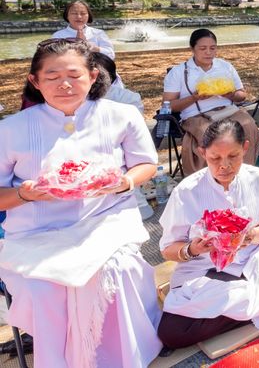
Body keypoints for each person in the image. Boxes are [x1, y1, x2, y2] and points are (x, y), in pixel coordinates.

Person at [0, 38, 161, 367]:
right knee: (43, 289)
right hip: (36, 233)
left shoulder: (122, 115)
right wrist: (24, 194)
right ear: (35, 81)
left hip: (106, 221)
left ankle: (125, 357)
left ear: (92, 75)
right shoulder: (11, 129)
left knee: (120, 270)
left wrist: (124, 182)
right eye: (52, 75)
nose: (64, 84)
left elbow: (147, 164)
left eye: (74, 74)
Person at [158, 119, 259, 349]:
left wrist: (249, 236)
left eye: (233, 156)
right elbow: (167, 250)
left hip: (253, 259)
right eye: (215, 158)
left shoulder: (257, 177)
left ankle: (249, 304)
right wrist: (193, 248)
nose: (224, 166)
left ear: (245, 148)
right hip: (207, 272)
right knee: (172, 333)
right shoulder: (186, 191)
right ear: (203, 153)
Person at [163, 29, 259, 174]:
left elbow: (242, 95)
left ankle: (243, 173)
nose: (208, 52)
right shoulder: (178, 72)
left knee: (248, 125)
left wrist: (230, 95)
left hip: (228, 109)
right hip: (196, 115)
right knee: (209, 134)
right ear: (192, 49)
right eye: (203, 48)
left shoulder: (225, 66)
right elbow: (168, 105)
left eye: (212, 48)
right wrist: (194, 98)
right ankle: (210, 178)